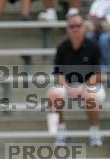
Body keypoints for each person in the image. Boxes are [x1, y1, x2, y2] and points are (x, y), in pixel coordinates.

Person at [45, 12, 105, 146]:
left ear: (83, 27)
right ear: (68, 29)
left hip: (90, 85)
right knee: (53, 94)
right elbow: (59, 74)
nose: (76, 29)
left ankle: (94, 129)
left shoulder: (93, 46)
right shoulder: (62, 48)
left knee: (90, 94)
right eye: (72, 26)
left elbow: (99, 74)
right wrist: (69, 87)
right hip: (69, 86)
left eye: (78, 25)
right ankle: (61, 129)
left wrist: (82, 86)